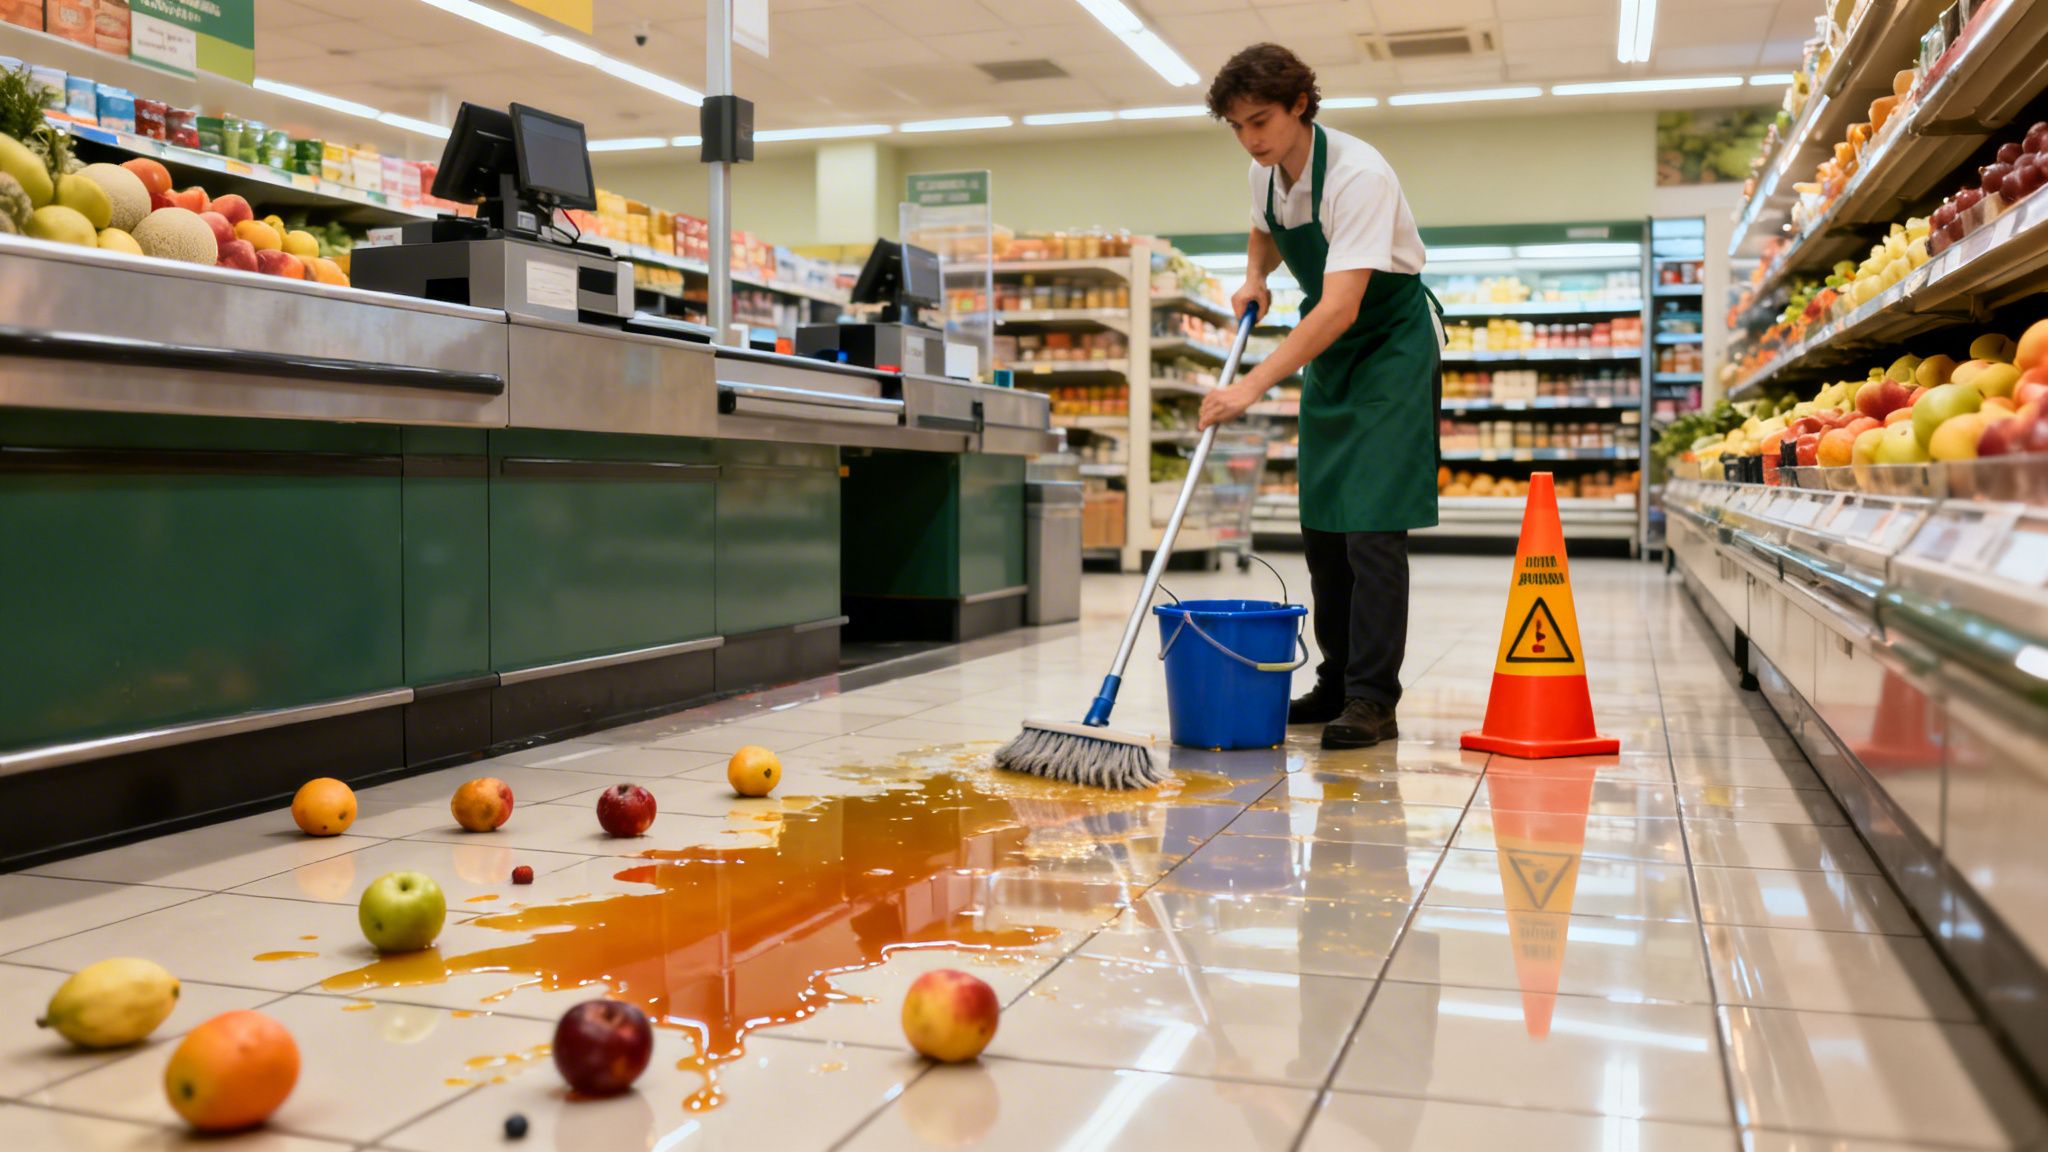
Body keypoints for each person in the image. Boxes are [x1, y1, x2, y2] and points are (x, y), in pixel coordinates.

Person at [1198, 43, 1441, 750]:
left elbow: (1338, 307)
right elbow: (1265, 228)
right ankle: (1336, 681)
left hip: (1390, 345)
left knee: (1372, 526)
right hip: (1336, 355)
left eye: (1261, 120)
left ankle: (1373, 698)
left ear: (1300, 104)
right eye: (1237, 126)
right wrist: (1254, 276)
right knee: (1324, 526)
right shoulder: (1264, 170)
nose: (1251, 138)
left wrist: (1248, 385)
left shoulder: (1360, 175)